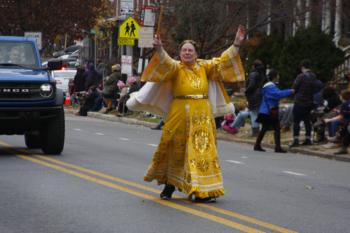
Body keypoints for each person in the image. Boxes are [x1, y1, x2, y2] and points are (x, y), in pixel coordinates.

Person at [128, 26, 246, 202]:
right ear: (180, 53)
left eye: (190, 50)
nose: (187, 53)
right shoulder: (176, 68)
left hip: (202, 117)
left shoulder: (205, 67)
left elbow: (222, 61)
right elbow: (165, 62)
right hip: (179, 114)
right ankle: (169, 185)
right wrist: (159, 48)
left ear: (196, 53)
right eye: (184, 50)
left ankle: (202, 190)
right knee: (174, 148)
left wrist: (236, 44)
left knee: (201, 152)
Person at [254, 69, 294, 153]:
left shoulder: (268, 86)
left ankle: (257, 145)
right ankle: (277, 147)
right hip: (269, 111)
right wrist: (290, 91)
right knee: (276, 128)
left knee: (265, 128)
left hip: (266, 111)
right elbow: (278, 94)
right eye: (278, 75)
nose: (279, 77)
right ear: (275, 77)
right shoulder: (270, 87)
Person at [290, 59, 323, 147]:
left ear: (302, 67)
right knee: (307, 121)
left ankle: (296, 140)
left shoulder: (300, 76)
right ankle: (308, 139)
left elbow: (294, 88)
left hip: (299, 101)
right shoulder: (313, 76)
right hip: (309, 102)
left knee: (296, 121)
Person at [244, 59, 267, 137]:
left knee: (253, 113)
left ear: (254, 66)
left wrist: (246, 91)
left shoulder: (253, 74)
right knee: (257, 113)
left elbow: (251, 85)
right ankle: (258, 130)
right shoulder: (261, 74)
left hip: (253, 96)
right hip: (260, 95)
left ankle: (255, 132)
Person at [324, 90, 350, 154]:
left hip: (347, 122)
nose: (339, 96)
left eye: (340, 95)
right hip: (347, 121)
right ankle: (342, 145)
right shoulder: (346, 104)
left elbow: (341, 116)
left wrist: (329, 120)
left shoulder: (346, 104)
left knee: (347, 130)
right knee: (346, 131)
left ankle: (336, 139)